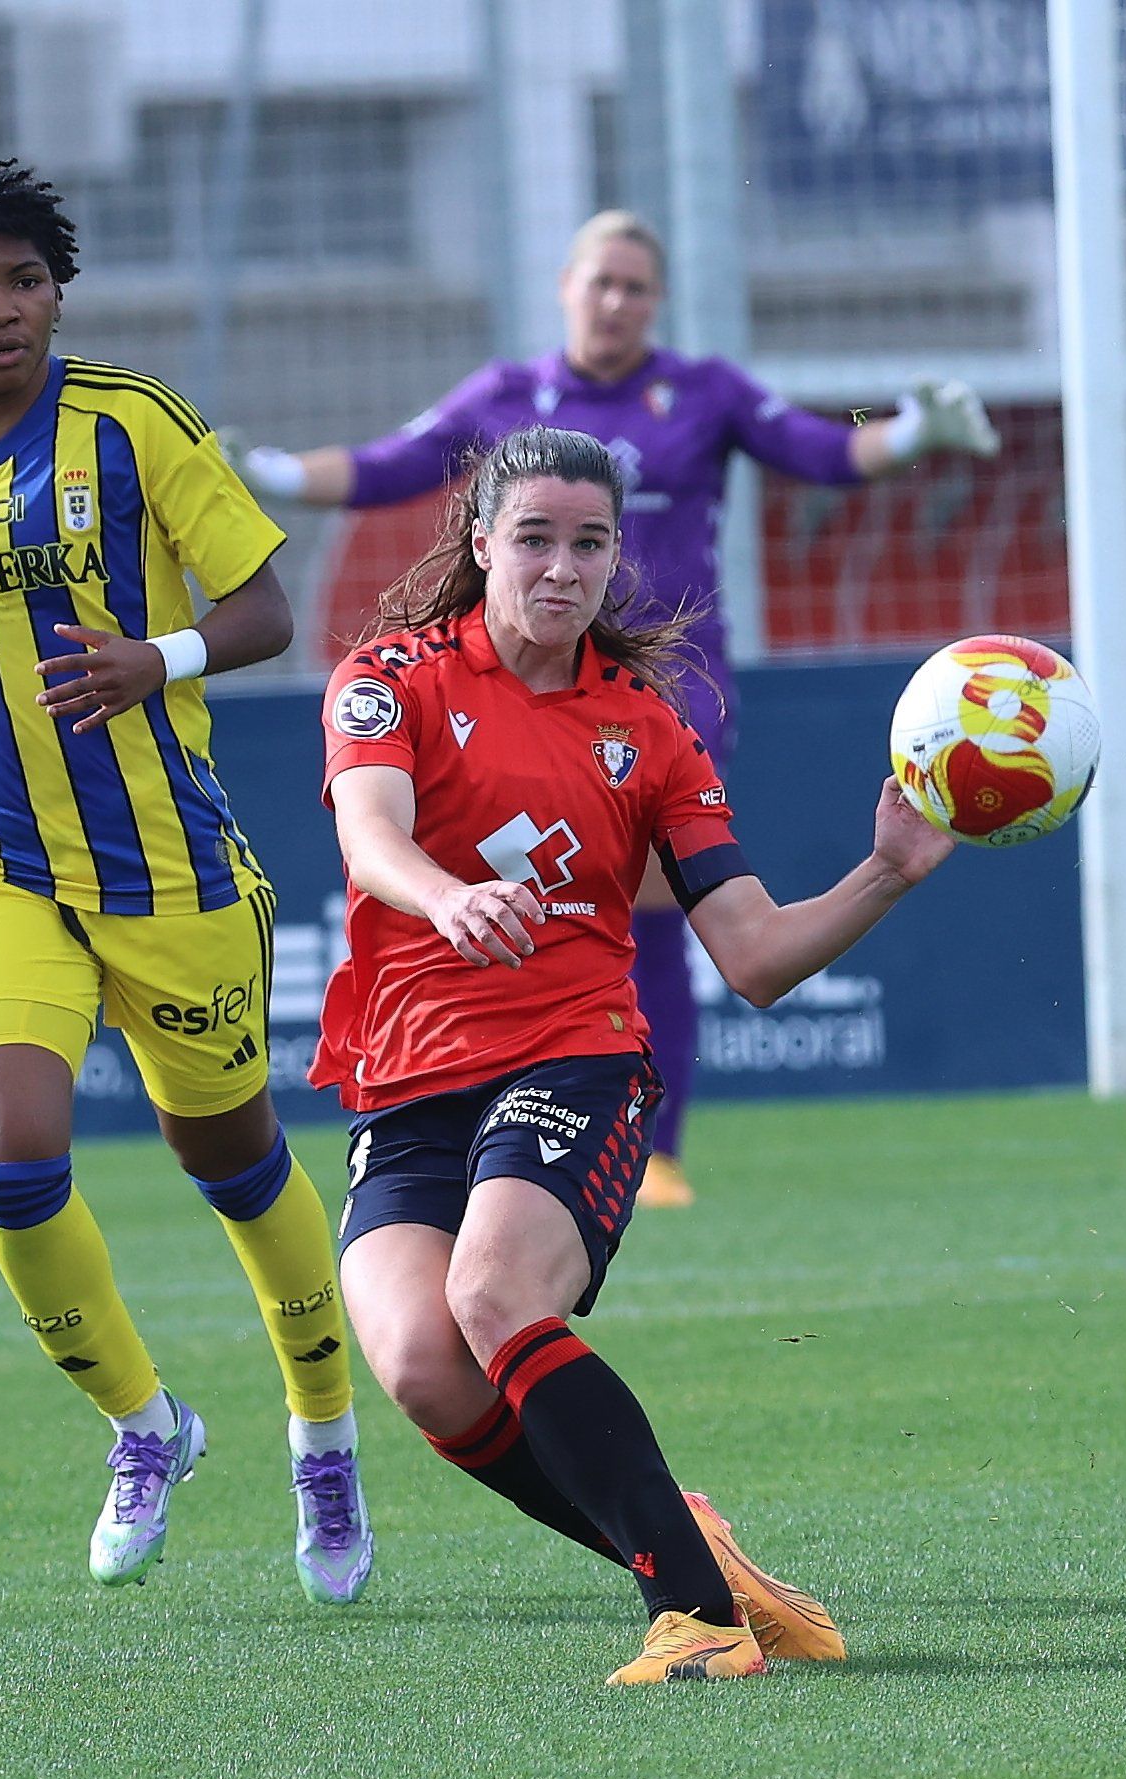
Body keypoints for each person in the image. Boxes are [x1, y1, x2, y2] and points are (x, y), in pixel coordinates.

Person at [0, 158, 373, 1605]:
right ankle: (145, 1426)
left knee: (230, 1162)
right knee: (7, 1158)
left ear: (57, 291)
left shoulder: (135, 425)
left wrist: (151, 660)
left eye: (24, 281)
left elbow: (261, 608)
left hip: (162, 862)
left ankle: (323, 1430)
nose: (0, 311)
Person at [310, 424, 953, 1683]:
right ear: (481, 539)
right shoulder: (391, 680)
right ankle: (696, 1552)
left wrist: (885, 872)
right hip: (410, 1077)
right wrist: (443, 898)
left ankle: (698, 1619)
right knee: (423, 1368)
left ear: (616, 557)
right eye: (535, 537)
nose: (561, 566)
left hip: (577, 1059)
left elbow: (755, 955)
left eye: (589, 542)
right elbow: (372, 838)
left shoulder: (649, 729)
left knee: (494, 1296)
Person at [237, 208, 997, 1209]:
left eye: (637, 287)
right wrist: (268, 472)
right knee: (508, 901)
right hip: (501, 699)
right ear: (566, 286)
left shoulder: (706, 392)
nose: (617, 301)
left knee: (650, 912)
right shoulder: (507, 401)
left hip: (659, 695)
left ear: (657, 302)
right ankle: (490, 1113)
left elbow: (820, 452)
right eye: (602, 281)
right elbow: (391, 463)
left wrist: (912, 433)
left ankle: (655, 1144)